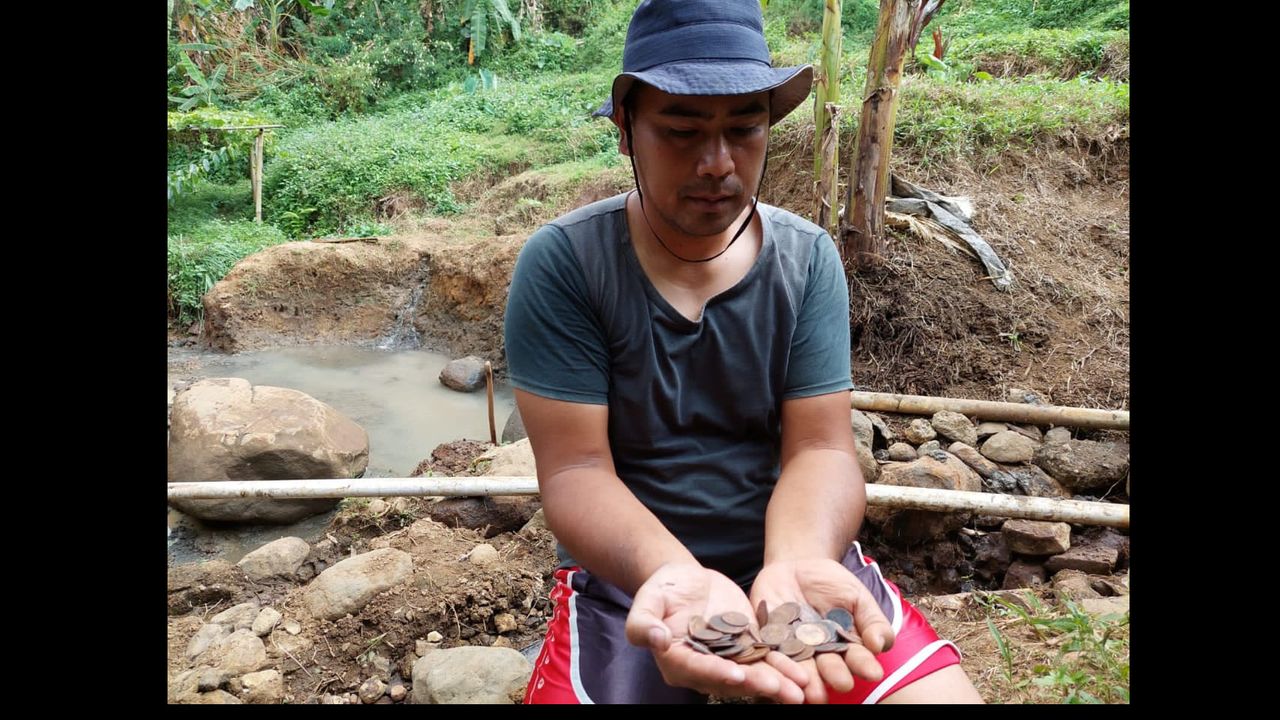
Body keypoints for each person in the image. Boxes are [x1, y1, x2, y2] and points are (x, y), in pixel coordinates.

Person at [503, 0, 983, 705]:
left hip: (801, 560)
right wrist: (674, 576)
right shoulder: (566, 264)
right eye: (681, 131)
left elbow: (820, 450)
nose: (718, 163)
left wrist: (792, 566)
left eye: (745, 130)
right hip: (632, 583)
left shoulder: (807, 260)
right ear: (626, 131)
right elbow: (576, 470)